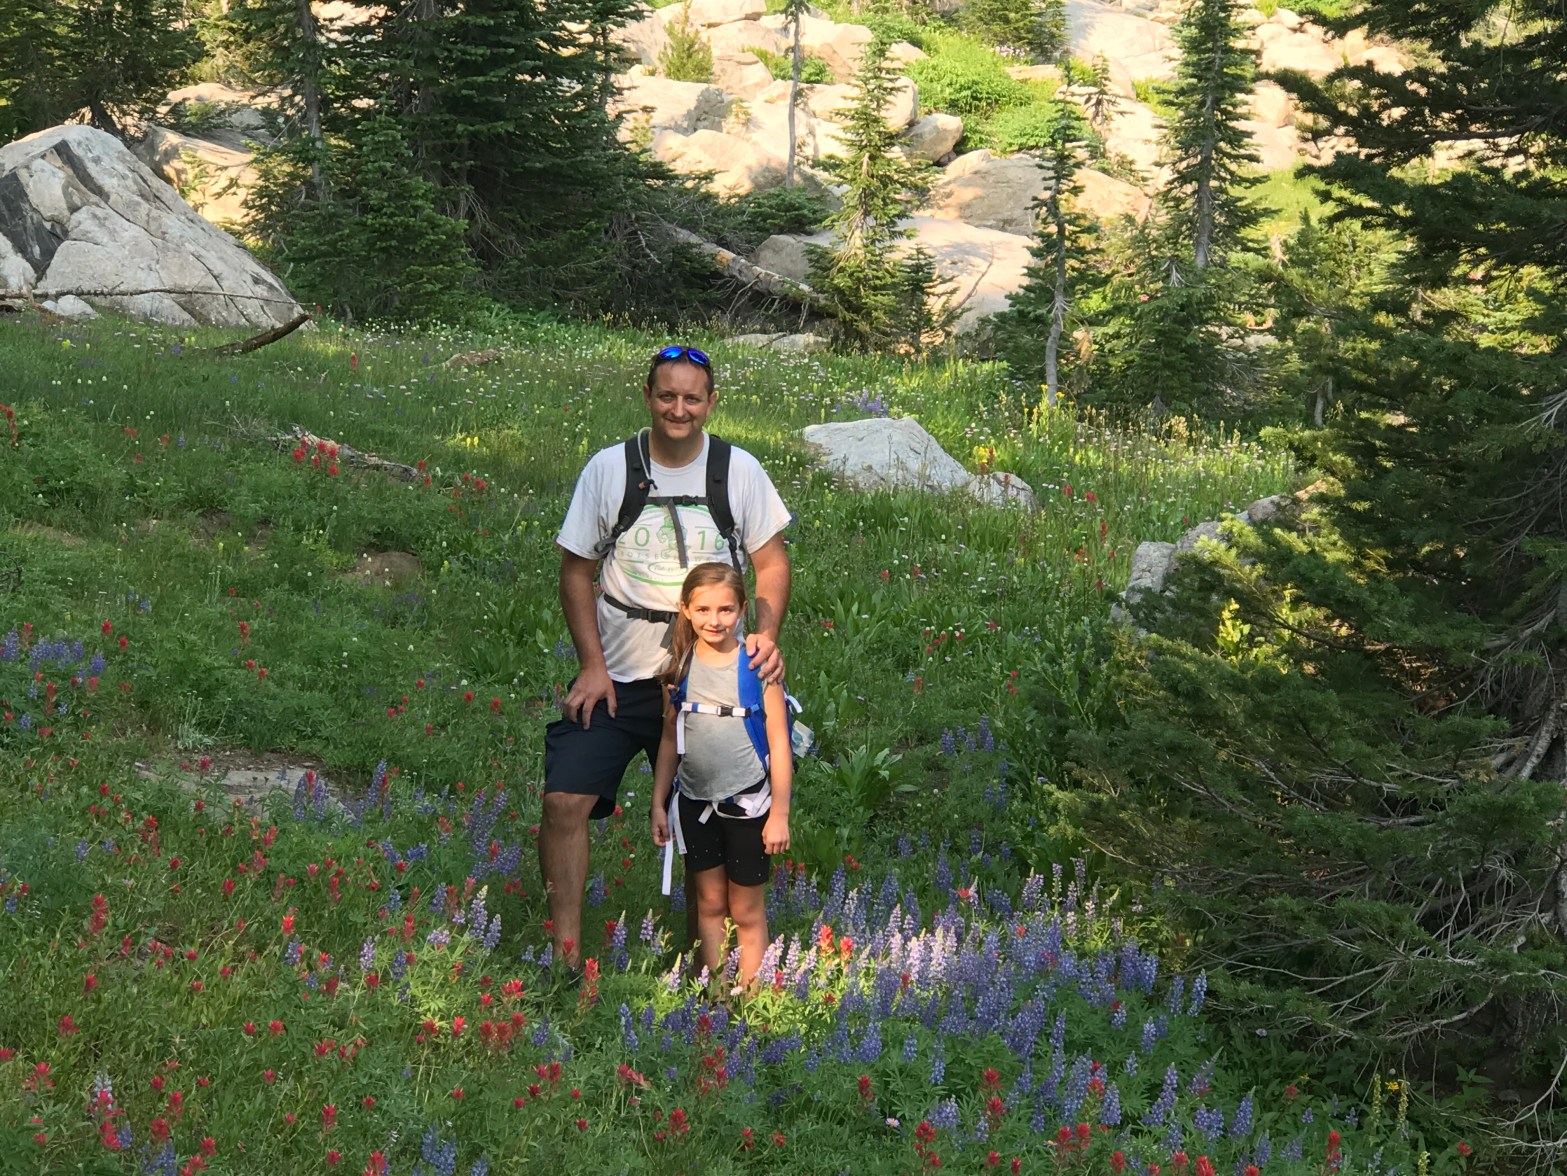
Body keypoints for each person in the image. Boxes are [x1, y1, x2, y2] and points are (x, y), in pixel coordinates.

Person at [543, 345, 792, 972]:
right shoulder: (610, 469)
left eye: (692, 398)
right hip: (619, 675)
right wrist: (591, 666)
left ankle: (705, 970)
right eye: (667, 396)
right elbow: (575, 571)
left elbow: (771, 562)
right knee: (564, 800)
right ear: (648, 397)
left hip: (709, 681)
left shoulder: (738, 471)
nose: (679, 409)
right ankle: (565, 959)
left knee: (708, 814)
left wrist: (765, 636)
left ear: (711, 403)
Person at [650, 562, 791, 987]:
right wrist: (658, 803)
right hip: (694, 802)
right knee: (709, 904)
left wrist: (780, 814)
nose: (715, 620)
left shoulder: (758, 667)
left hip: (748, 804)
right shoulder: (679, 667)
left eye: (726, 609)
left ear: (743, 609)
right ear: (686, 610)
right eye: (704, 609)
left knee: (746, 911)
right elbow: (670, 740)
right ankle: (718, 998)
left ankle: (754, 1000)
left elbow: (779, 744)